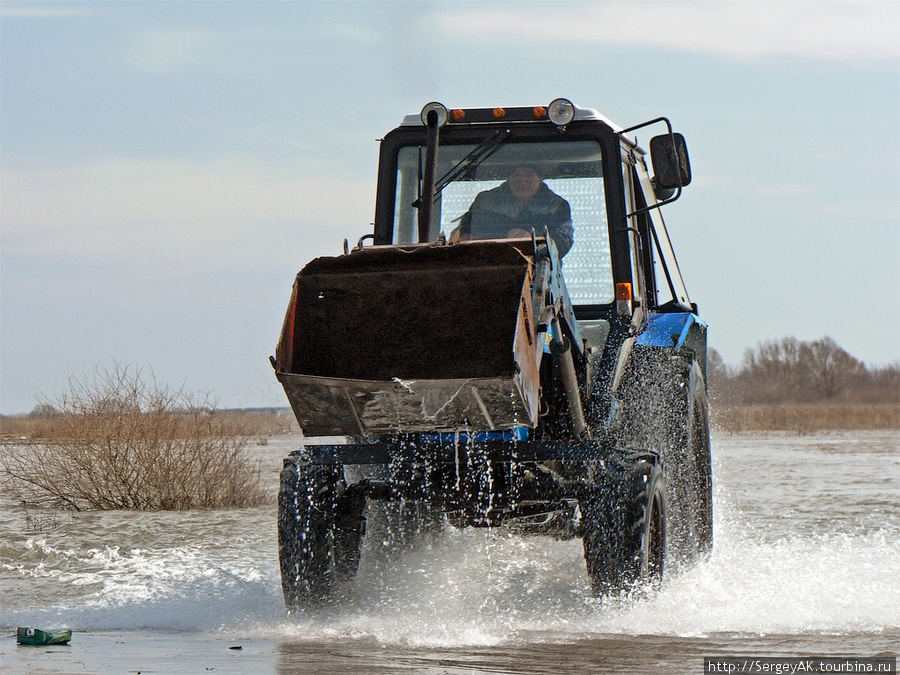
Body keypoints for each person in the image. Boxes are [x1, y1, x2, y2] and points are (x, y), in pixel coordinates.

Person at [450, 166, 574, 256]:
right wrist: (459, 238)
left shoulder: (557, 206)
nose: (522, 181)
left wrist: (534, 241)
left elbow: (563, 242)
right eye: (516, 175)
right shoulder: (485, 201)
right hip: (486, 264)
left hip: (538, 274)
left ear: (540, 178)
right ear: (509, 177)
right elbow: (464, 230)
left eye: (529, 175)